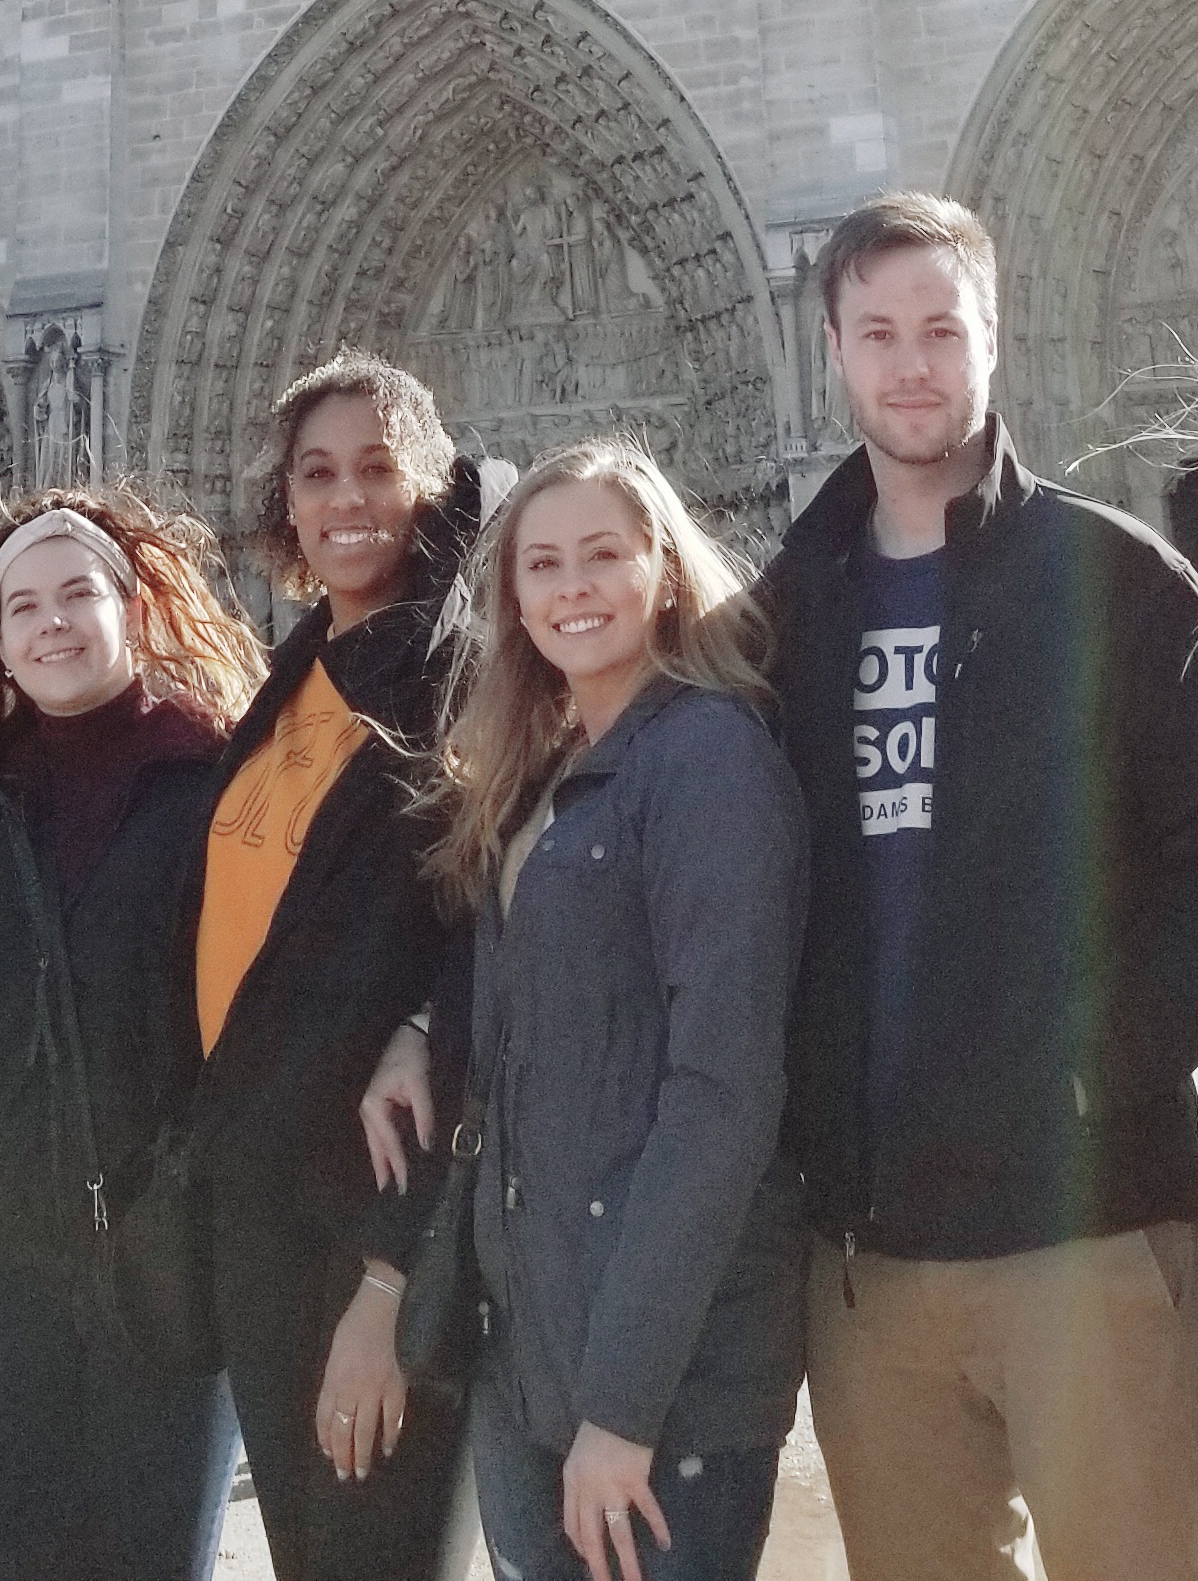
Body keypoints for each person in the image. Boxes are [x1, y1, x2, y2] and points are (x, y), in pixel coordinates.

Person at [759, 189, 1198, 1581]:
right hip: (871, 1260)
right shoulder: (777, 613)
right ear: (833, 353)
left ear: (996, 342)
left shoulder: (1114, 576)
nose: (911, 362)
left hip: (1087, 1225)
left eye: (941, 327)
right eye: (878, 332)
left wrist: (1097, 1065)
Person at [365, 439, 809, 1581]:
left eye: (603, 555)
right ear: (510, 597)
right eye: (543, 563)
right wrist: (418, 1033)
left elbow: (721, 1097)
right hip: (533, 1364)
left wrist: (622, 1411)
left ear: (664, 568)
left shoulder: (711, 759)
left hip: (662, 1389)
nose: (574, 588)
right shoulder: (542, 774)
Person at [0, 487, 264, 1581]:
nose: (53, 622)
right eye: (24, 606)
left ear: (133, 609)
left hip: (165, 1268)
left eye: (78, 593)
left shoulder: (221, 784)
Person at [172, 357, 489, 1581]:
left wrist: (388, 1276)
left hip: (374, 1209)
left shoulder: (460, 675)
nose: (346, 496)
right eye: (318, 472)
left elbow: (473, 950)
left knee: (377, 1557)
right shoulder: (298, 671)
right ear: (286, 506)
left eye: (376, 467)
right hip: (259, 1200)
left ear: (428, 486)